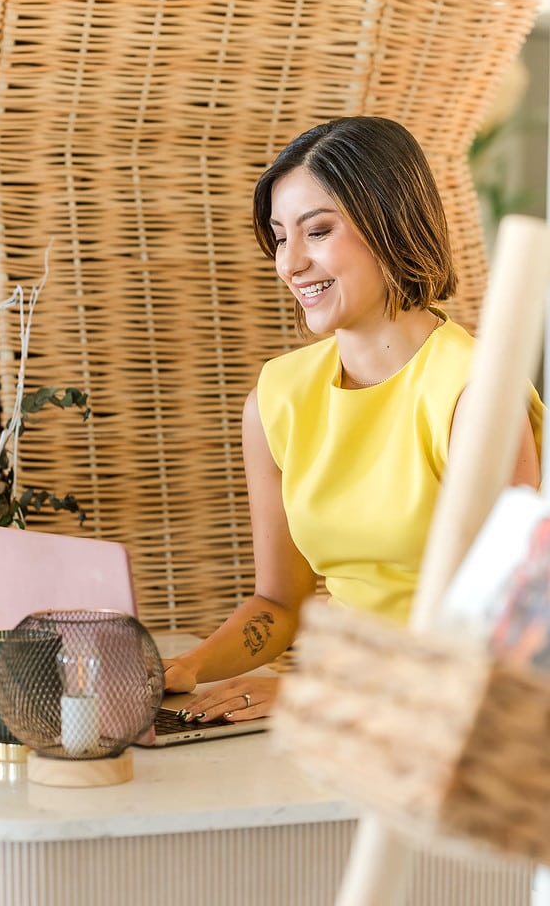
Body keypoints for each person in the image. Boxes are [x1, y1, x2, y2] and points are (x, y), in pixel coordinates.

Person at [163, 115, 543, 724]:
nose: (291, 264)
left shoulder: (475, 396)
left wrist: (315, 698)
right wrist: (186, 669)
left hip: (452, 726)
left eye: (317, 231)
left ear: (388, 223)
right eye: (281, 238)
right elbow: (277, 603)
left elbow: (504, 631)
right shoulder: (277, 399)